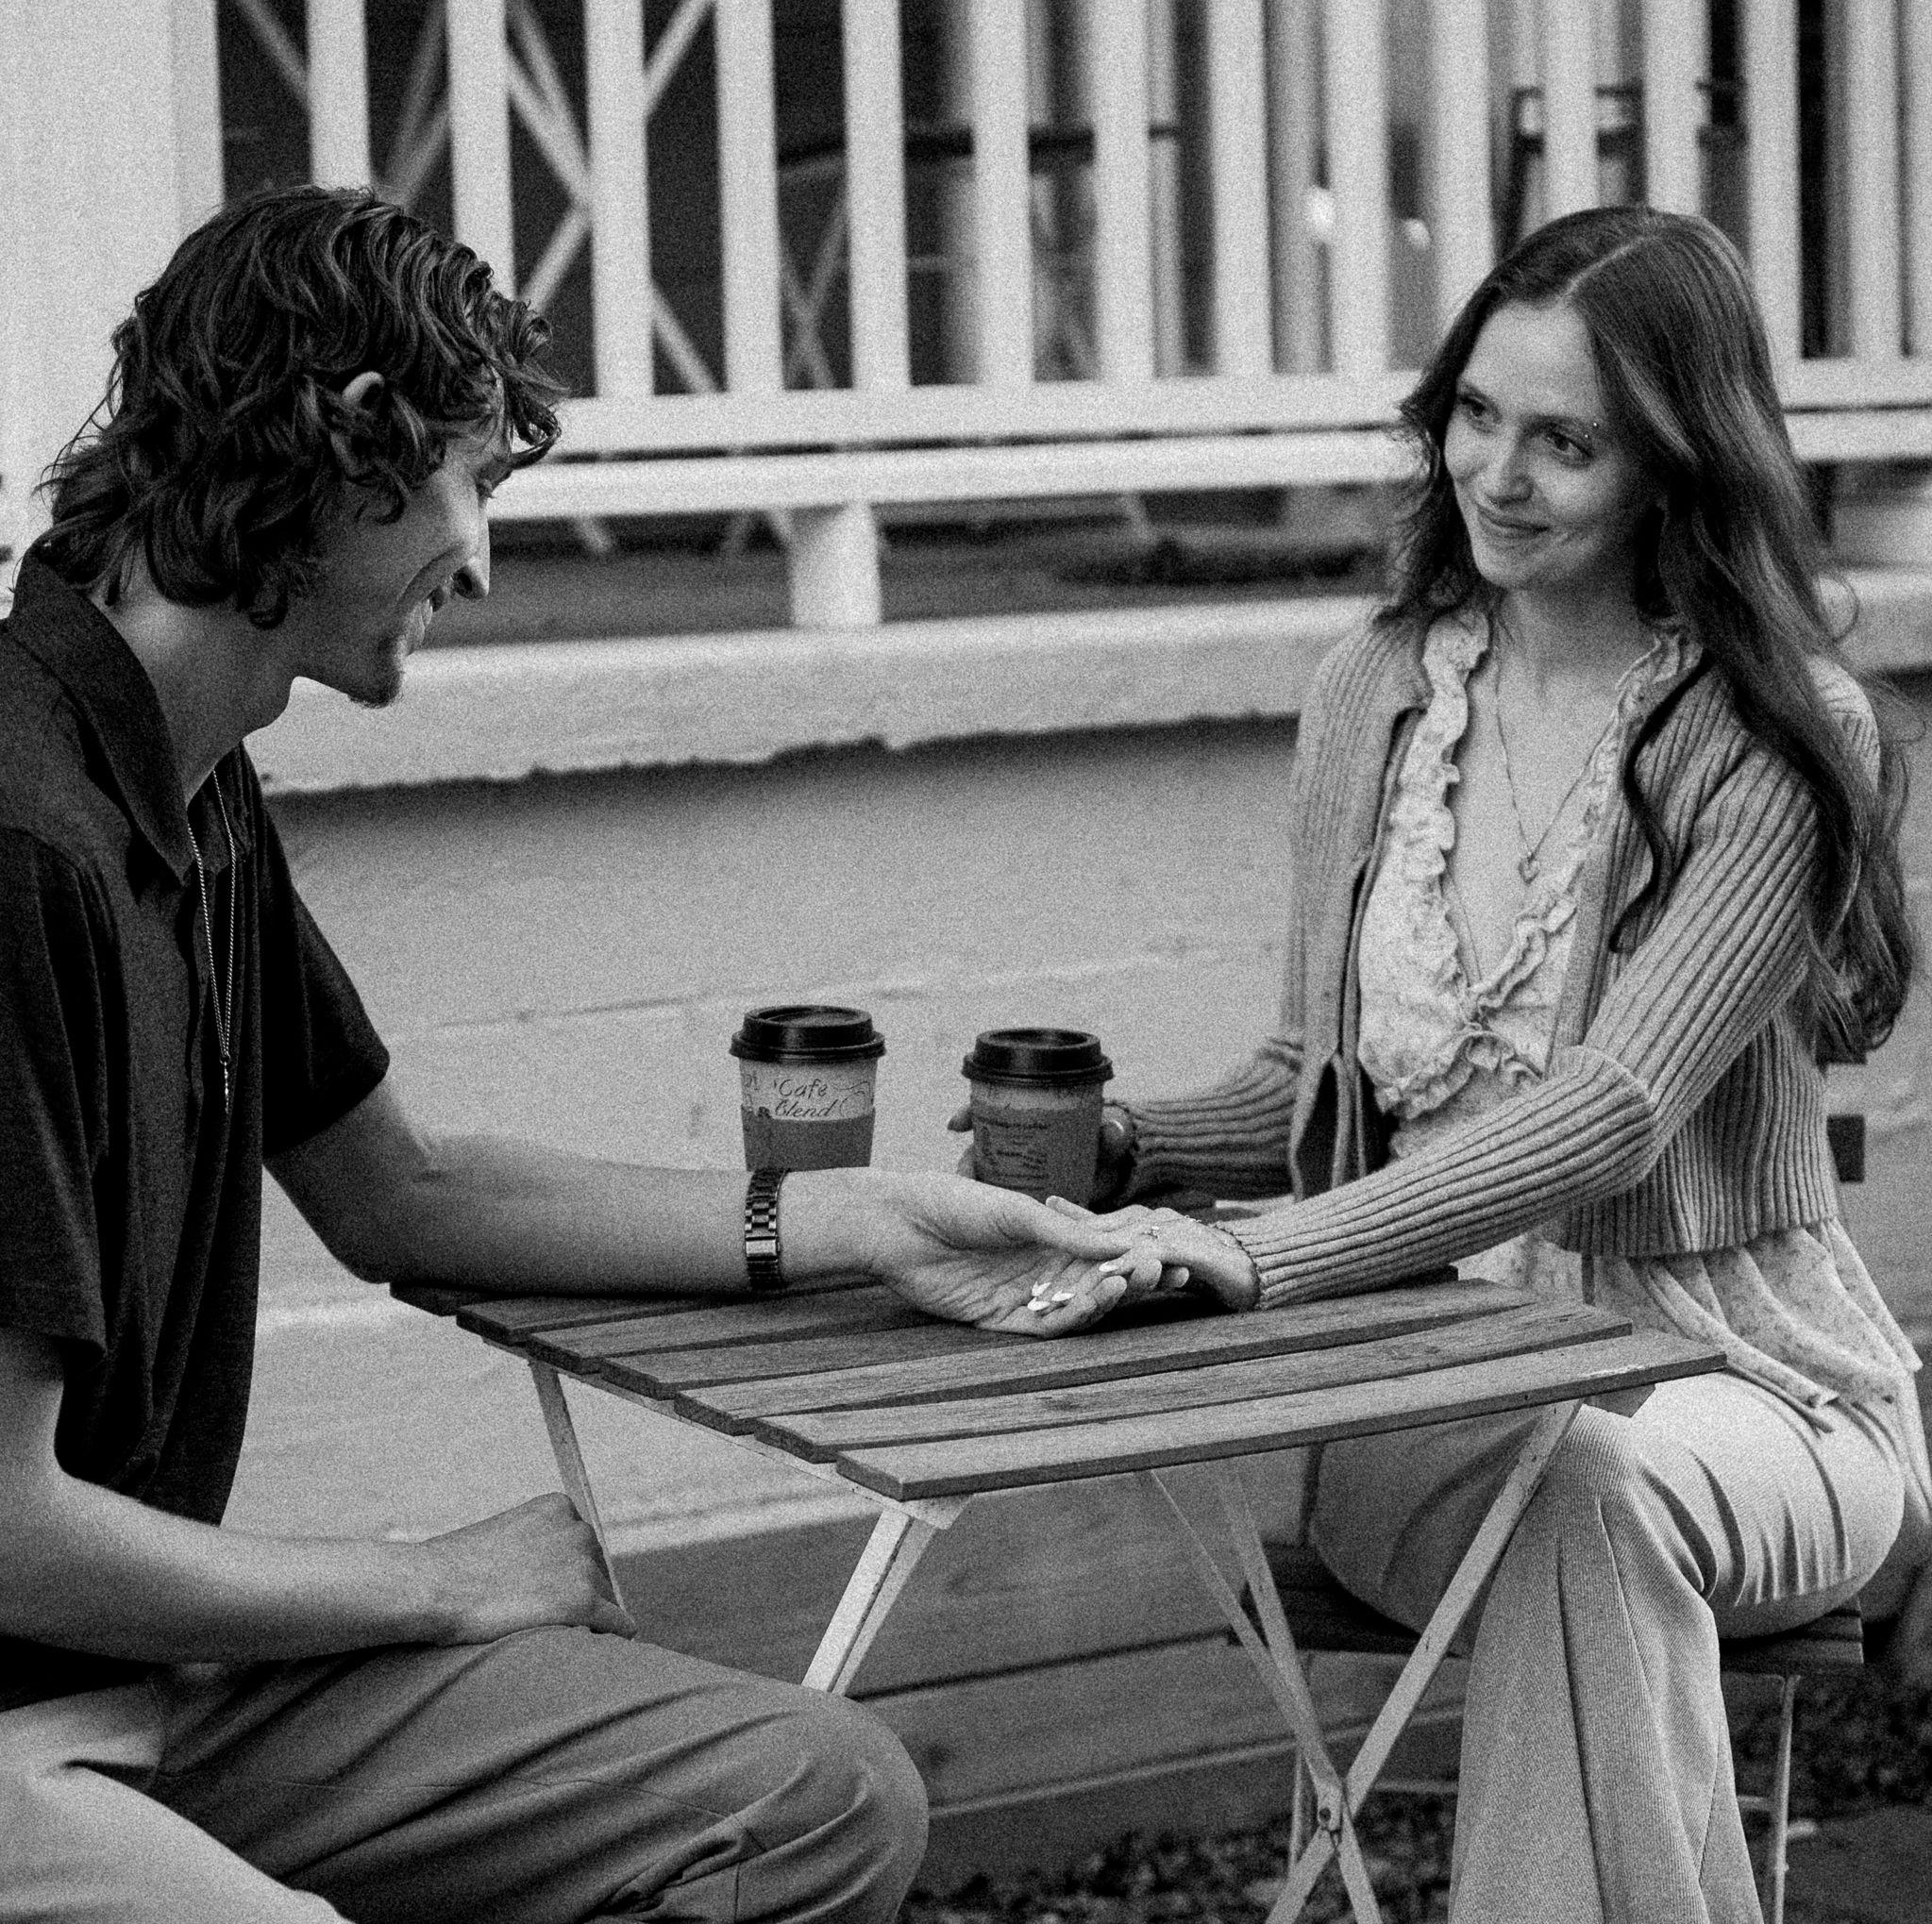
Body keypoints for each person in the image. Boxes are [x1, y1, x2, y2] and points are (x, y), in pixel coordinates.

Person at [0, 186, 1174, 1924]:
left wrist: (863, 1223)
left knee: (813, 1801)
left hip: (160, 1688)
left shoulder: (193, 786)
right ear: (348, 449)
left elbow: (404, 1194)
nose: (479, 557)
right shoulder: (22, 838)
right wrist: (434, 1582)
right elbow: (10, 1534)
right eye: (470, 481)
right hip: (23, 1716)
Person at [1000, 207, 1932, 1921]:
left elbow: (1614, 1110)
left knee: (1591, 1488)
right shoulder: (1375, 692)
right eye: (1476, 415)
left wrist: (1266, 1255)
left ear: (1677, 463)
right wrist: (1124, 1147)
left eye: (1566, 441)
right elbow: (1316, 1077)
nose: (1497, 474)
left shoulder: (1779, 730)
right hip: (1424, 1404)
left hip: (1747, 1388)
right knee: (1565, 1491)